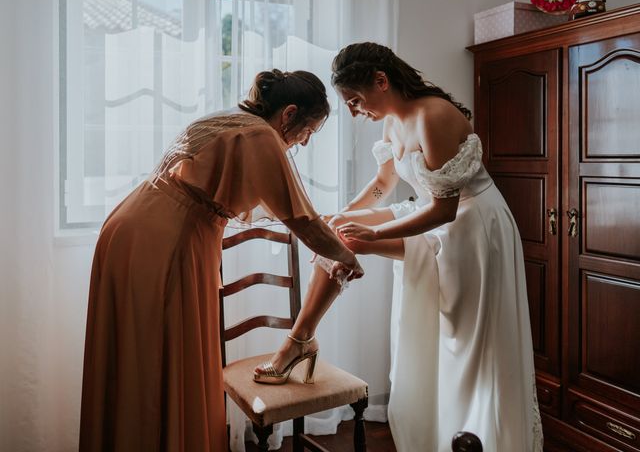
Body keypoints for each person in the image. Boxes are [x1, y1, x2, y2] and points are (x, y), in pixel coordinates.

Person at [255, 43, 543, 452]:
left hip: (473, 229)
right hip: (432, 214)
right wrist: (341, 214)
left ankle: (481, 435)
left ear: (381, 81)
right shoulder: (390, 121)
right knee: (336, 231)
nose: (354, 111)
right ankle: (301, 339)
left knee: (469, 349)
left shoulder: (435, 116)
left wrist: (374, 236)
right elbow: (384, 185)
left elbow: (444, 211)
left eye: (355, 101)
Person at [79, 69, 364, 452]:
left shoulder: (228, 121)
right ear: (288, 114)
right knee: (159, 357)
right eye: (308, 131)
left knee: (136, 355)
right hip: (166, 239)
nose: (304, 143)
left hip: (135, 227)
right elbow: (303, 221)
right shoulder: (260, 136)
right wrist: (347, 257)